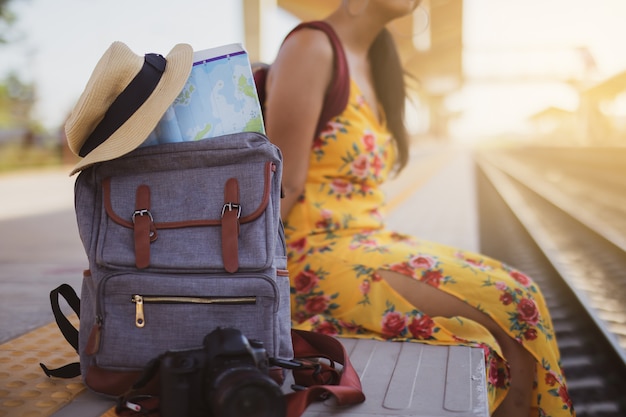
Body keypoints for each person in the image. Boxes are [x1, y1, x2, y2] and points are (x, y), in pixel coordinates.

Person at [262, 1, 574, 416]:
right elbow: (282, 185)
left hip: (367, 241)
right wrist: (255, 289)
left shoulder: (377, 60)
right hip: (313, 256)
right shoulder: (311, 47)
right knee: (514, 304)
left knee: (521, 287)